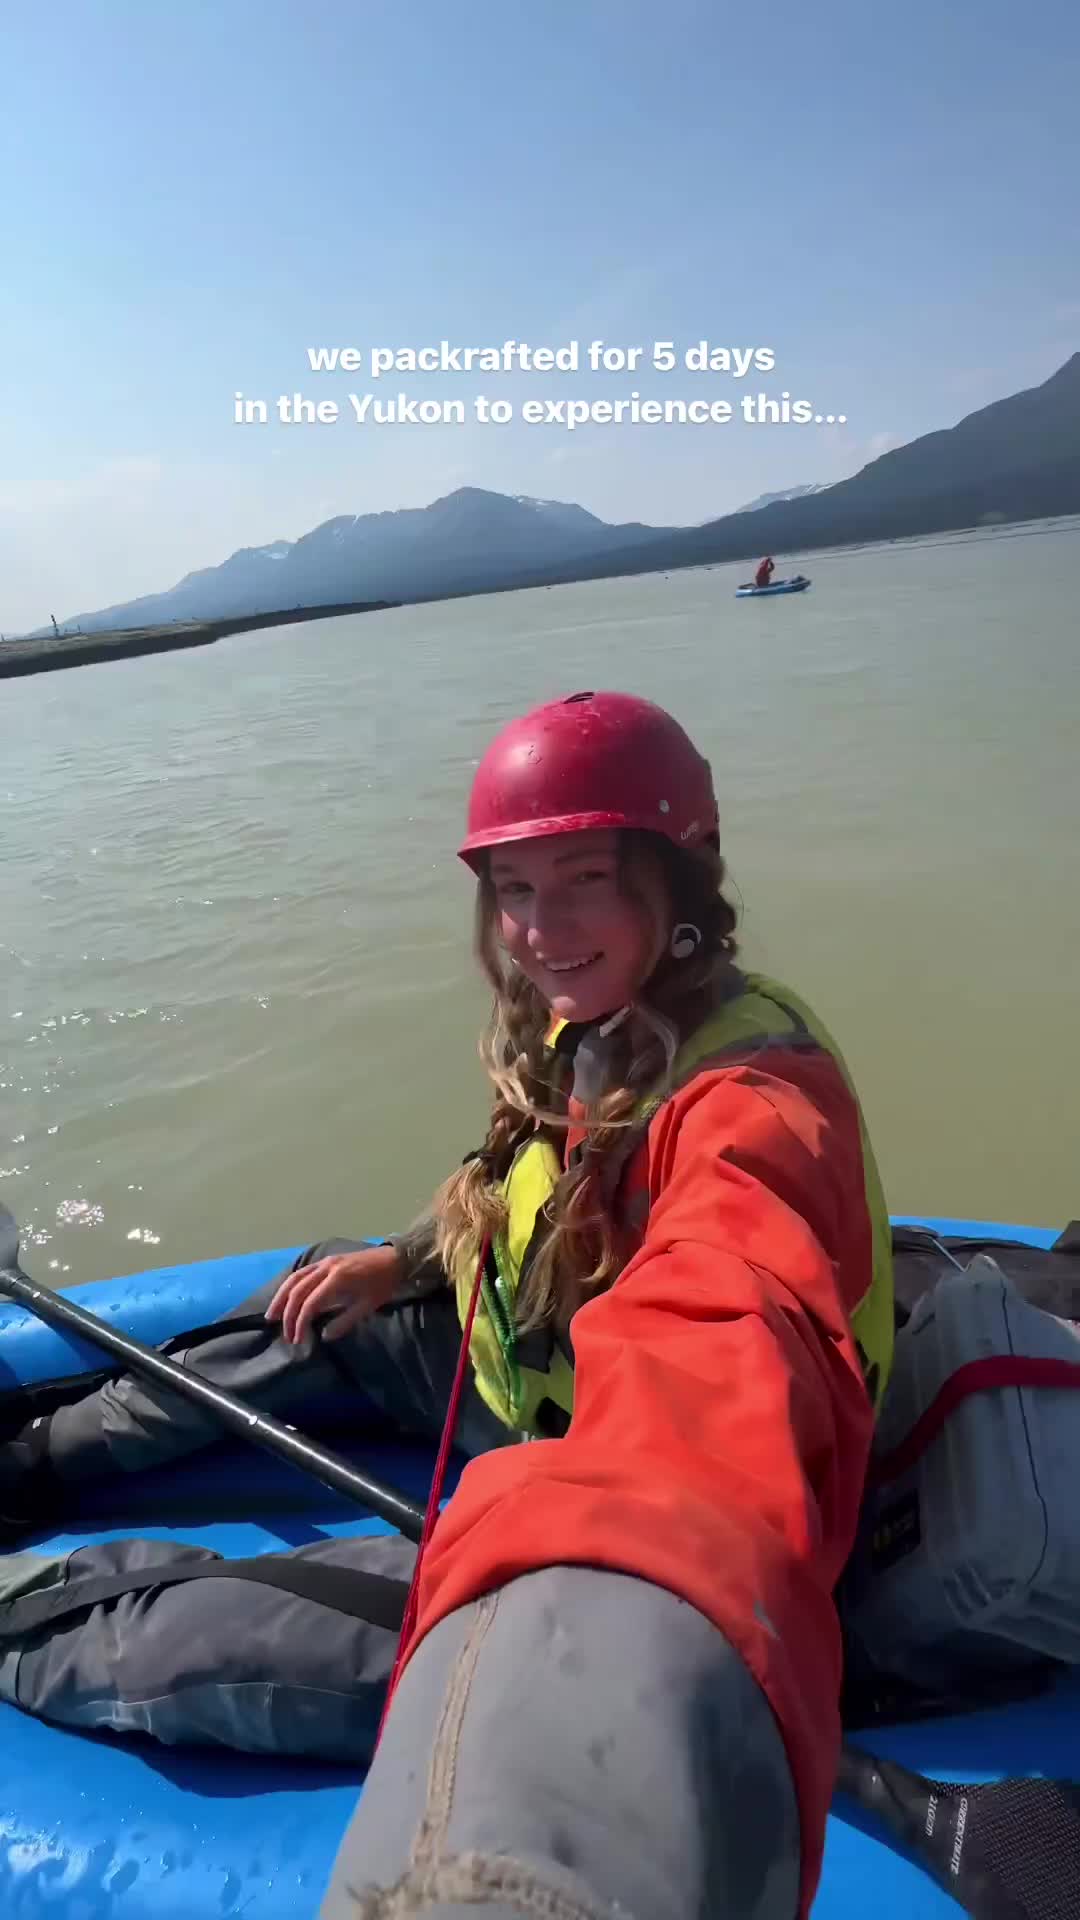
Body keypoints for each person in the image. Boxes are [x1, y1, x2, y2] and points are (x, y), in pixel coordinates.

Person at [0, 690, 893, 1920]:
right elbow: (522, 1190)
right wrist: (407, 1261)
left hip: (628, 1492)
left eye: (583, 879)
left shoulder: (753, 1100)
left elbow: (722, 1331)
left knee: (189, 1644)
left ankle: (23, 1609)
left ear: (678, 885)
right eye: (514, 891)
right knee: (315, 1297)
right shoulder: (593, 1022)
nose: (540, 928)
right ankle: (37, 1457)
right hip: (522, 1385)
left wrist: (608, 1536)